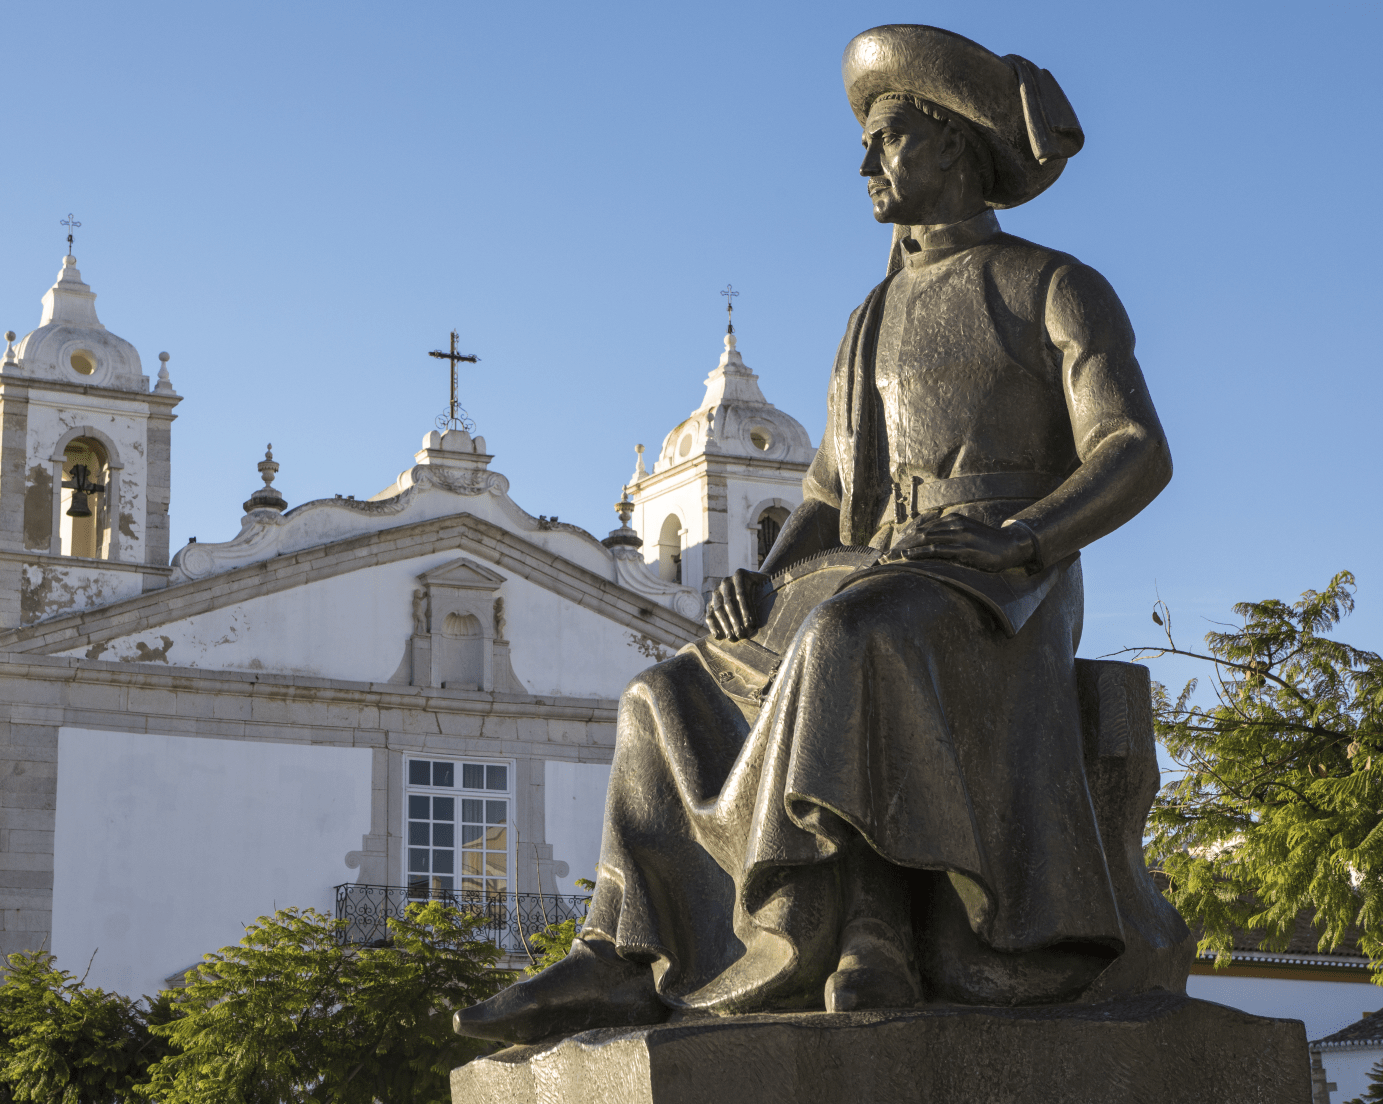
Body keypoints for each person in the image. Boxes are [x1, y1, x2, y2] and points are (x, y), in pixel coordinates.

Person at [456, 24, 1176, 1045]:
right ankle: (623, 952)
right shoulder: (870, 317)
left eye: (884, 137)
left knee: (851, 640)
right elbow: (833, 493)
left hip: (1003, 581)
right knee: (664, 691)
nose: (864, 164)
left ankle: (868, 932)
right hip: (875, 567)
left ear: (953, 146)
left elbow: (1134, 448)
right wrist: (764, 577)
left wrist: (1023, 540)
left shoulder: (1052, 286)